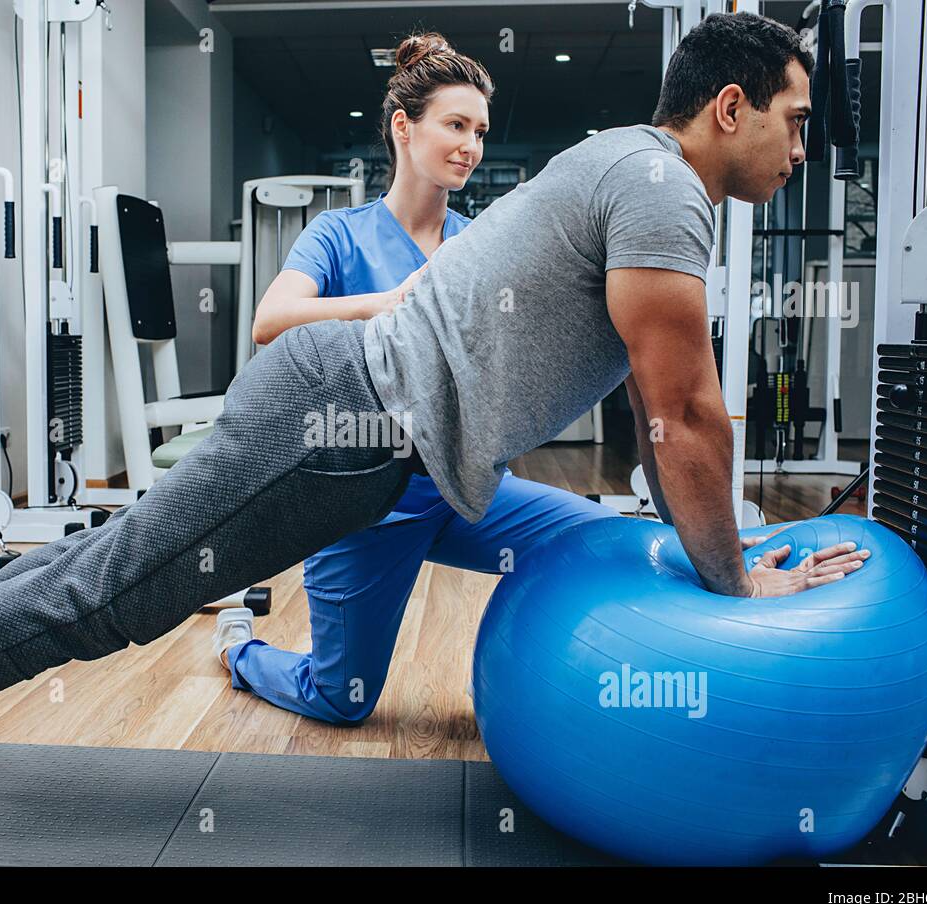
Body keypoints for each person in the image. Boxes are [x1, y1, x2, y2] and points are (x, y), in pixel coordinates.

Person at [0, 11, 868, 858]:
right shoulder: (661, 187)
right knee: (111, 595)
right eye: (796, 116)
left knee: (91, 564)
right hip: (334, 422)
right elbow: (680, 414)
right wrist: (736, 586)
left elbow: (661, 405)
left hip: (360, 434)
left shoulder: (628, 170)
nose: (802, 144)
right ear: (730, 106)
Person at [214, 33, 623, 725]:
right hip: (364, 507)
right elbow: (271, 320)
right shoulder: (337, 235)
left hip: (463, 491)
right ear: (404, 128)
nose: (471, 145)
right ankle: (238, 652)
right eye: (455, 125)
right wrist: (389, 301)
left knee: (598, 541)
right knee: (341, 701)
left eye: (481, 131)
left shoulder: (479, 240)